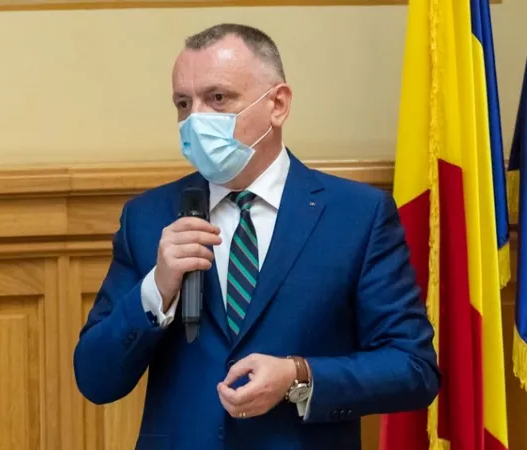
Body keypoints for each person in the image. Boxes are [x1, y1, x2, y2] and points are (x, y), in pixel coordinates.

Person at [73, 23, 439, 450]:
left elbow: (412, 368)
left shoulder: (357, 215)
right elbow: (94, 378)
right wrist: (155, 291)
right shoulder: (148, 217)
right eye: (183, 103)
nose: (196, 120)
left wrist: (299, 376)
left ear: (277, 105)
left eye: (218, 98)